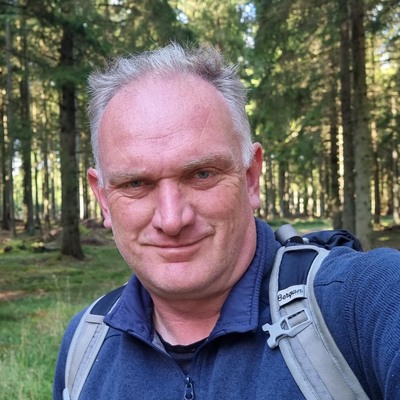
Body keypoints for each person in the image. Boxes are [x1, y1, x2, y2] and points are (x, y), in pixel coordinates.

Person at [53, 43, 400, 399]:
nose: (172, 220)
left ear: (251, 178)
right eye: (136, 184)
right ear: (103, 198)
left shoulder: (365, 300)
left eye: (202, 174)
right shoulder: (85, 346)